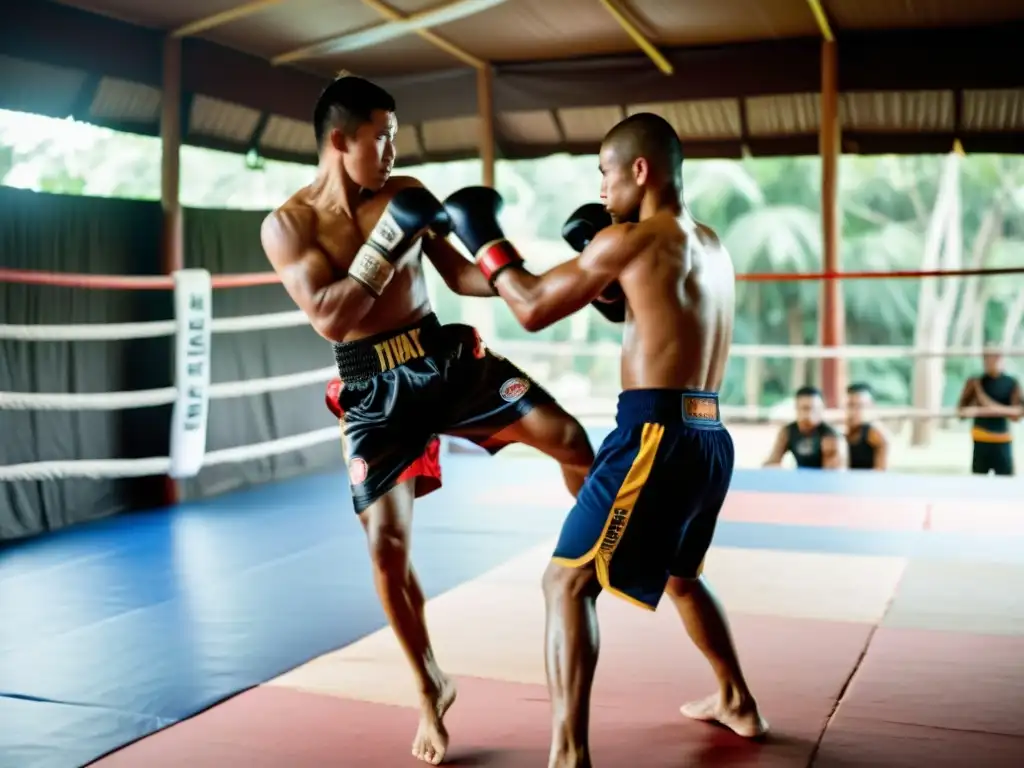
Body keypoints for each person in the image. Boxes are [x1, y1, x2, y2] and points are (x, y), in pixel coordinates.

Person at [260, 76, 596, 766]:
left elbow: (462, 276)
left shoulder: (403, 190)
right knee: (386, 550)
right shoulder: (287, 225)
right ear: (339, 140)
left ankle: (592, 563)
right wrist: (386, 241)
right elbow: (330, 315)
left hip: (442, 360)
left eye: (394, 135)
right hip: (371, 389)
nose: (393, 147)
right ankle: (429, 685)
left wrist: (548, 272)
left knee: (573, 442)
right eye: (381, 135)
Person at [442, 112, 767, 768]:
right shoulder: (707, 242)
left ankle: (568, 756)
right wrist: (440, 250)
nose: (601, 188)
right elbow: (633, 303)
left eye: (605, 173)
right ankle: (736, 698)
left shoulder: (631, 242)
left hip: (654, 433)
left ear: (639, 171)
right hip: (710, 436)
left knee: (564, 585)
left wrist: (482, 233)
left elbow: (529, 305)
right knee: (681, 578)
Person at [956, 350, 1022, 475]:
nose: (992, 361)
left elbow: (1018, 413)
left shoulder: (1011, 383)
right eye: (988, 358)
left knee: (1006, 483)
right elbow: (961, 411)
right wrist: (973, 411)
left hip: (1002, 439)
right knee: (979, 482)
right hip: (981, 439)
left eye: (995, 358)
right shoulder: (975, 382)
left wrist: (994, 409)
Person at [763, 385, 846, 470]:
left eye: (813, 409)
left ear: (821, 409)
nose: (809, 414)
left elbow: (832, 474)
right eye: (805, 408)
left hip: (821, 481)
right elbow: (771, 463)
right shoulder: (787, 432)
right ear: (797, 408)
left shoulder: (831, 435)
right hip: (799, 479)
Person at [845, 382, 889, 470]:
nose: (854, 411)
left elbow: (881, 475)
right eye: (850, 405)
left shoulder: (877, 434)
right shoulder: (841, 431)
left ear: (871, 406)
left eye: (860, 406)